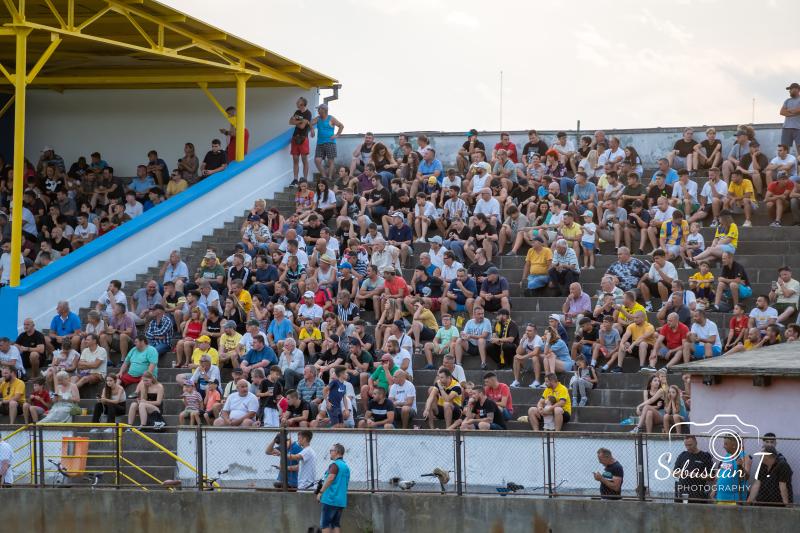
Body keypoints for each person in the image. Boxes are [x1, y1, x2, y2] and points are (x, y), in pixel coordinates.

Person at [318, 442, 350, 533]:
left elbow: (330, 478)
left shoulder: (335, 465)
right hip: (340, 501)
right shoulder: (345, 466)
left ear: (337, 452)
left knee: (325, 524)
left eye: (331, 451)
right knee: (335, 524)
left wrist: (321, 492)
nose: (330, 452)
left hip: (330, 499)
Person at [673, 435, 714, 503]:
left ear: (696, 443)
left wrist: (696, 475)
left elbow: (712, 477)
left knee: (697, 509)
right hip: (683, 492)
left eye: (690, 445)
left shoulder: (705, 456)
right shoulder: (682, 455)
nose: (688, 447)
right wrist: (681, 473)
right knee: (682, 508)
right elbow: (674, 472)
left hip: (698, 492)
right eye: (686, 445)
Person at [711, 433, 750, 504]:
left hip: (734, 499)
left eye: (726, 444)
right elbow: (720, 475)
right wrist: (714, 491)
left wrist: (740, 467)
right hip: (720, 497)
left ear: (734, 445)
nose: (723, 446)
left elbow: (746, 477)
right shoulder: (726, 456)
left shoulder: (744, 457)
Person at [311, 103, 344, 180]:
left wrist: (337, 135)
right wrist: (312, 129)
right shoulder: (318, 118)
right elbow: (310, 123)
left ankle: (329, 177)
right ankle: (324, 176)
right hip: (320, 143)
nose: (318, 111)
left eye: (319, 109)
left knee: (330, 161)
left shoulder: (331, 118)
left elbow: (341, 126)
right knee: (317, 160)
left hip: (330, 142)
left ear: (324, 110)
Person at [289, 97, 313, 184]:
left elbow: (302, 127)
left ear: (302, 104)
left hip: (303, 138)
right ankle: (295, 179)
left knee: (304, 159)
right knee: (295, 159)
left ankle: (305, 179)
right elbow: (290, 121)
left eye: (298, 102)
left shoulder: (308, 113)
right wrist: (301, 121)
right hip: (295, 137)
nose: (296, 103)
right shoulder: (297, 112)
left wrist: (296, 121)